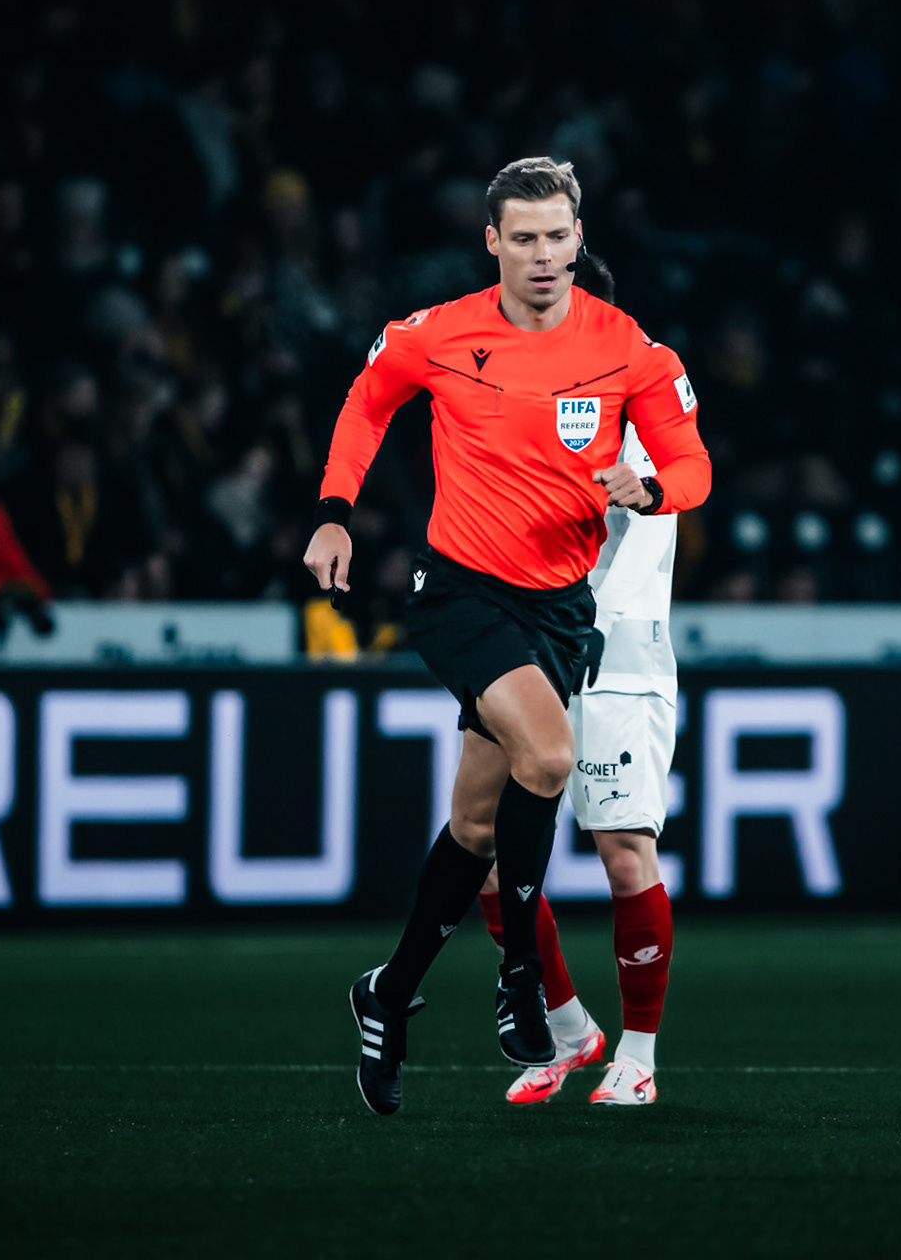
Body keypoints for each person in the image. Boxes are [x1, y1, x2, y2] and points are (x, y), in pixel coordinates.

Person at [305, 158, 709, 1116]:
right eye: (520, 237)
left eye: (555, 236)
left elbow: (692, 463)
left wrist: (649, 490)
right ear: (492, 242)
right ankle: (524, 983)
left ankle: (388, 994)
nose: (539, 254)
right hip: (461, 591)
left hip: (559, 607)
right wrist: (333, 511)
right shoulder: (438, 333)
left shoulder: (630, 349)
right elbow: (366, 405)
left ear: (578, 238)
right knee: (552, 753)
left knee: (477, 828)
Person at [472, 254, 674, 1107]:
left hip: (615, 655)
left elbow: (677, 479)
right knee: (479, 849)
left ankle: (639, 1055)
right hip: (530, 648)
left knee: (623, 853)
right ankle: (564, 1028)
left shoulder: (634, 400)